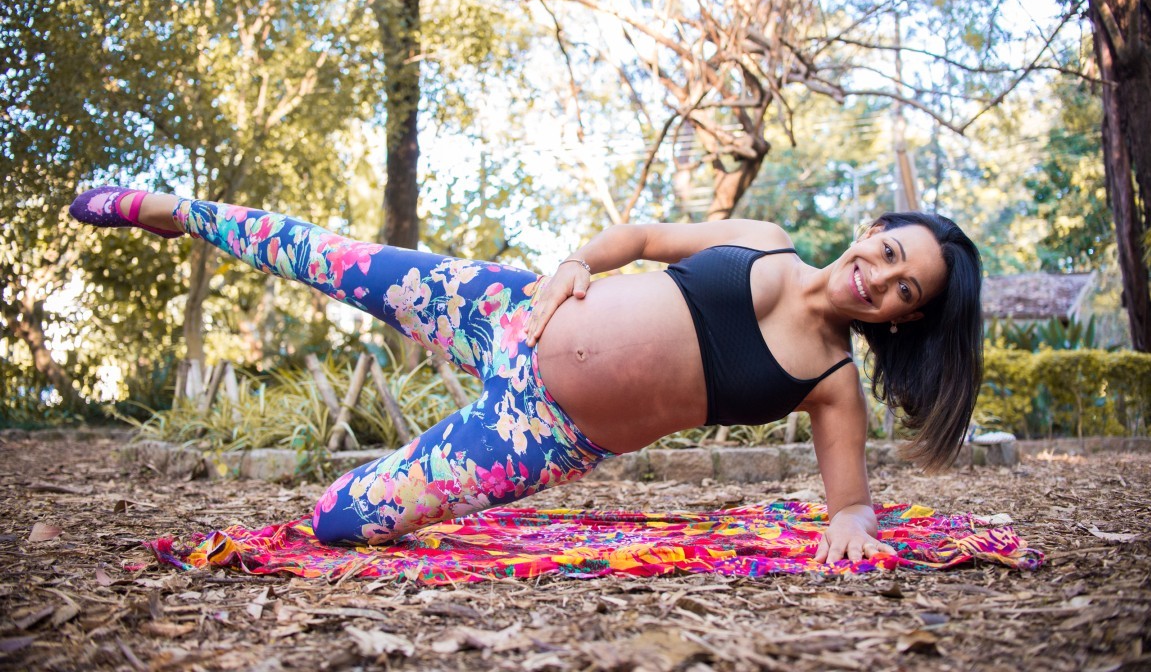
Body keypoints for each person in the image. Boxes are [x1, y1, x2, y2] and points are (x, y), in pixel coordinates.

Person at [70, 186, 982, 564]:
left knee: (338, 524)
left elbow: (848, 501)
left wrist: (853, 525)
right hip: (513, 309)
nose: (885, 280)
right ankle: (180, 212)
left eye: (908, 293)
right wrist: (576, 264)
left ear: (903, 320)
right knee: (332, 258)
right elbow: (643, 241)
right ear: (871, 230)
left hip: (540, 437)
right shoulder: (759, 244)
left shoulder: (831, 382)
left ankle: (380, 478)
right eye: (892, 253)